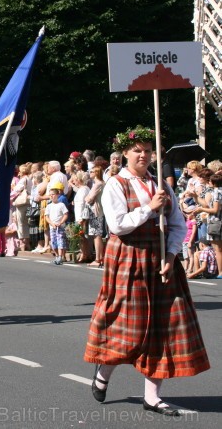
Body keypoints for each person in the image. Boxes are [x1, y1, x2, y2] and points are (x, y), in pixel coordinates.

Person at [84, 126, 209, 416]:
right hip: (129, 259)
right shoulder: (116, 183)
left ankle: (152, 396)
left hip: (161, 262)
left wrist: (171, 254)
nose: (143, 155)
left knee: (164, 327)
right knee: (127, 328)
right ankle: (104, 372)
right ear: (125, 154)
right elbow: (117, 225)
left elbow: (177, 224)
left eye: (147, 150)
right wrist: (150, 209)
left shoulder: (162, 187)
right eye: (137, 150)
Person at [45, 187, 69, 265]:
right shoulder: (49, 206)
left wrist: (61, 222)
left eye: (53, 194)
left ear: (57, 195)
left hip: (60, 227)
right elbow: (46, 217)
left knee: (60, 241)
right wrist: (52, 224)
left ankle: (60, 256)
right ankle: (57, 255)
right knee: (53, 243)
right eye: (50, 195)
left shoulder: (61, 204)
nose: (51, 196)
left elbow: (65, 214)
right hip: (52, 227)